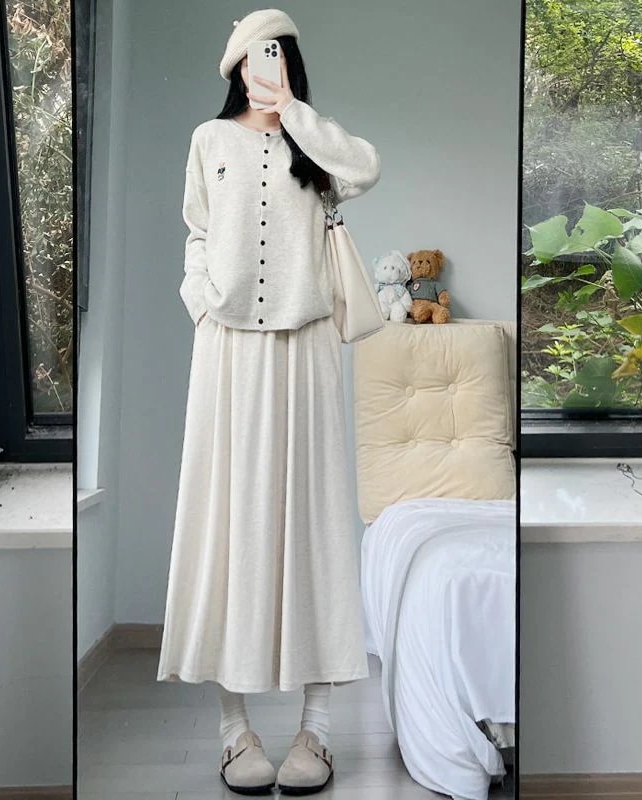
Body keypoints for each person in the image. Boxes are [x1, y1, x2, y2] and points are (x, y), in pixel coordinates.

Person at [156, 8, 381, 796]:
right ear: (235, 64)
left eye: (281, 51)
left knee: (312, 522)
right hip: (226, 351)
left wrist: (296, 115)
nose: (269, 61)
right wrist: (200, 299)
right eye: (258, 51)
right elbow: (195, 231)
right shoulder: (208, 140)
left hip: (306, 347)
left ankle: (318, 731)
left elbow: (364, 169)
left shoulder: (315, 143)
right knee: (226, 522)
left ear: (292, 63)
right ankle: (233, 730)